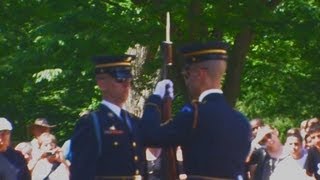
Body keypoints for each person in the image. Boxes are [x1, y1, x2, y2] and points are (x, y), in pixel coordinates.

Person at [139, 41, 251, 179]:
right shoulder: (242, 120)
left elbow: (149, 136)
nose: (187, 81)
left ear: (199, 74)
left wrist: (155, 100)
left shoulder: (194, 113)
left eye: (187, 75)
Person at [70, 55, 146, 180]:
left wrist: (157, 104)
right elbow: (81, 172)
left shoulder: (133, 121)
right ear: (102, 83)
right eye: (120, 79)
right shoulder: (91, 123)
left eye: (128, 79)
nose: (127, 84)